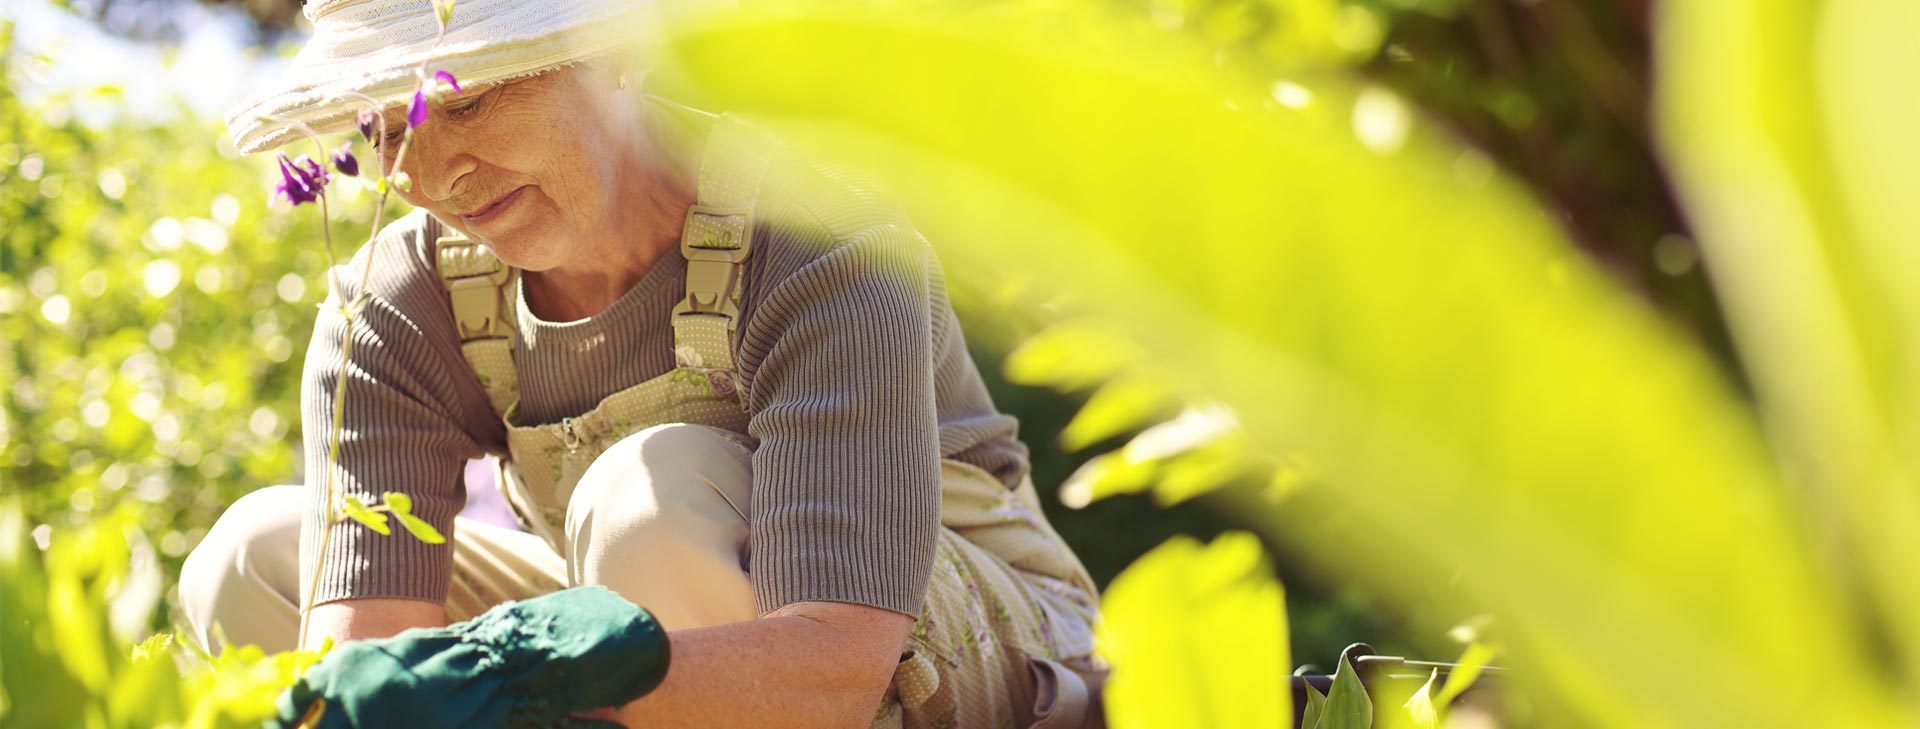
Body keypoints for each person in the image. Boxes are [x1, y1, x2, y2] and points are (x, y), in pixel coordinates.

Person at [175, 0, 1105, 726]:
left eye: (469, 99)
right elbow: (361, 659)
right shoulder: (394, 303)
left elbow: (835, 664)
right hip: (652, 653)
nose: (432, 174)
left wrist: (515, 683)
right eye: (385, 130)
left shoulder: (823, 242)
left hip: (941, 653)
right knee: (249, 558)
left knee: (650, 496)